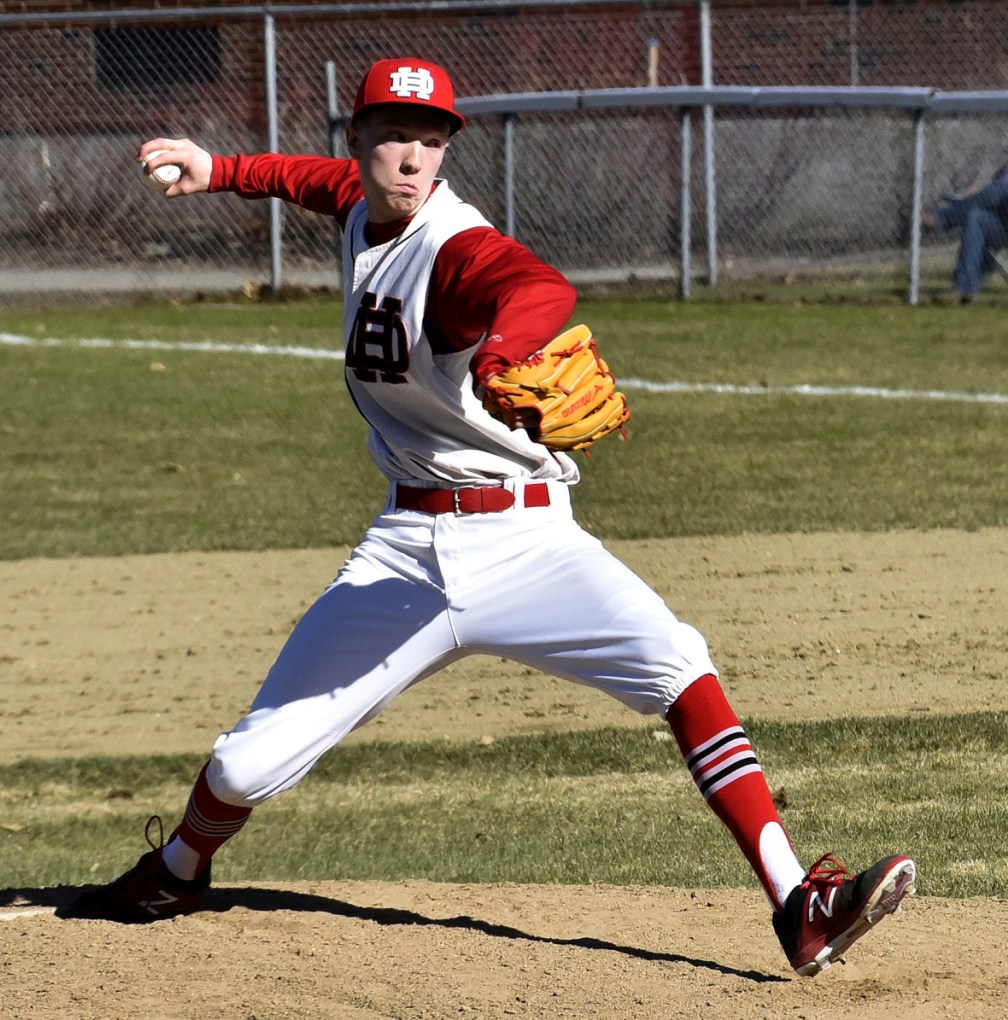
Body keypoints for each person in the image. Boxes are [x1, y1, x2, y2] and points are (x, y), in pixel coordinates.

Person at [65, 57, 915, 977]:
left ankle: (800, 903)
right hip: (404, 553)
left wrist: (506, 348)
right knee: (237, 771)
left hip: (528, 541)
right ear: (357, 141)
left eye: (431, 142)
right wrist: (219, 168)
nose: (412, 158)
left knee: (680, 664)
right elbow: (310, 183)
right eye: (394, 135)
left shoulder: (454, 247)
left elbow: (537, 285)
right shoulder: (360, 204)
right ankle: (178, 871)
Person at [922, 162, 1008, 303]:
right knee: (976, 218)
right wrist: (978, 194)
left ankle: (944, 217)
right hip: (1002, 223)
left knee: (1001, 188)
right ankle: (963, 289)